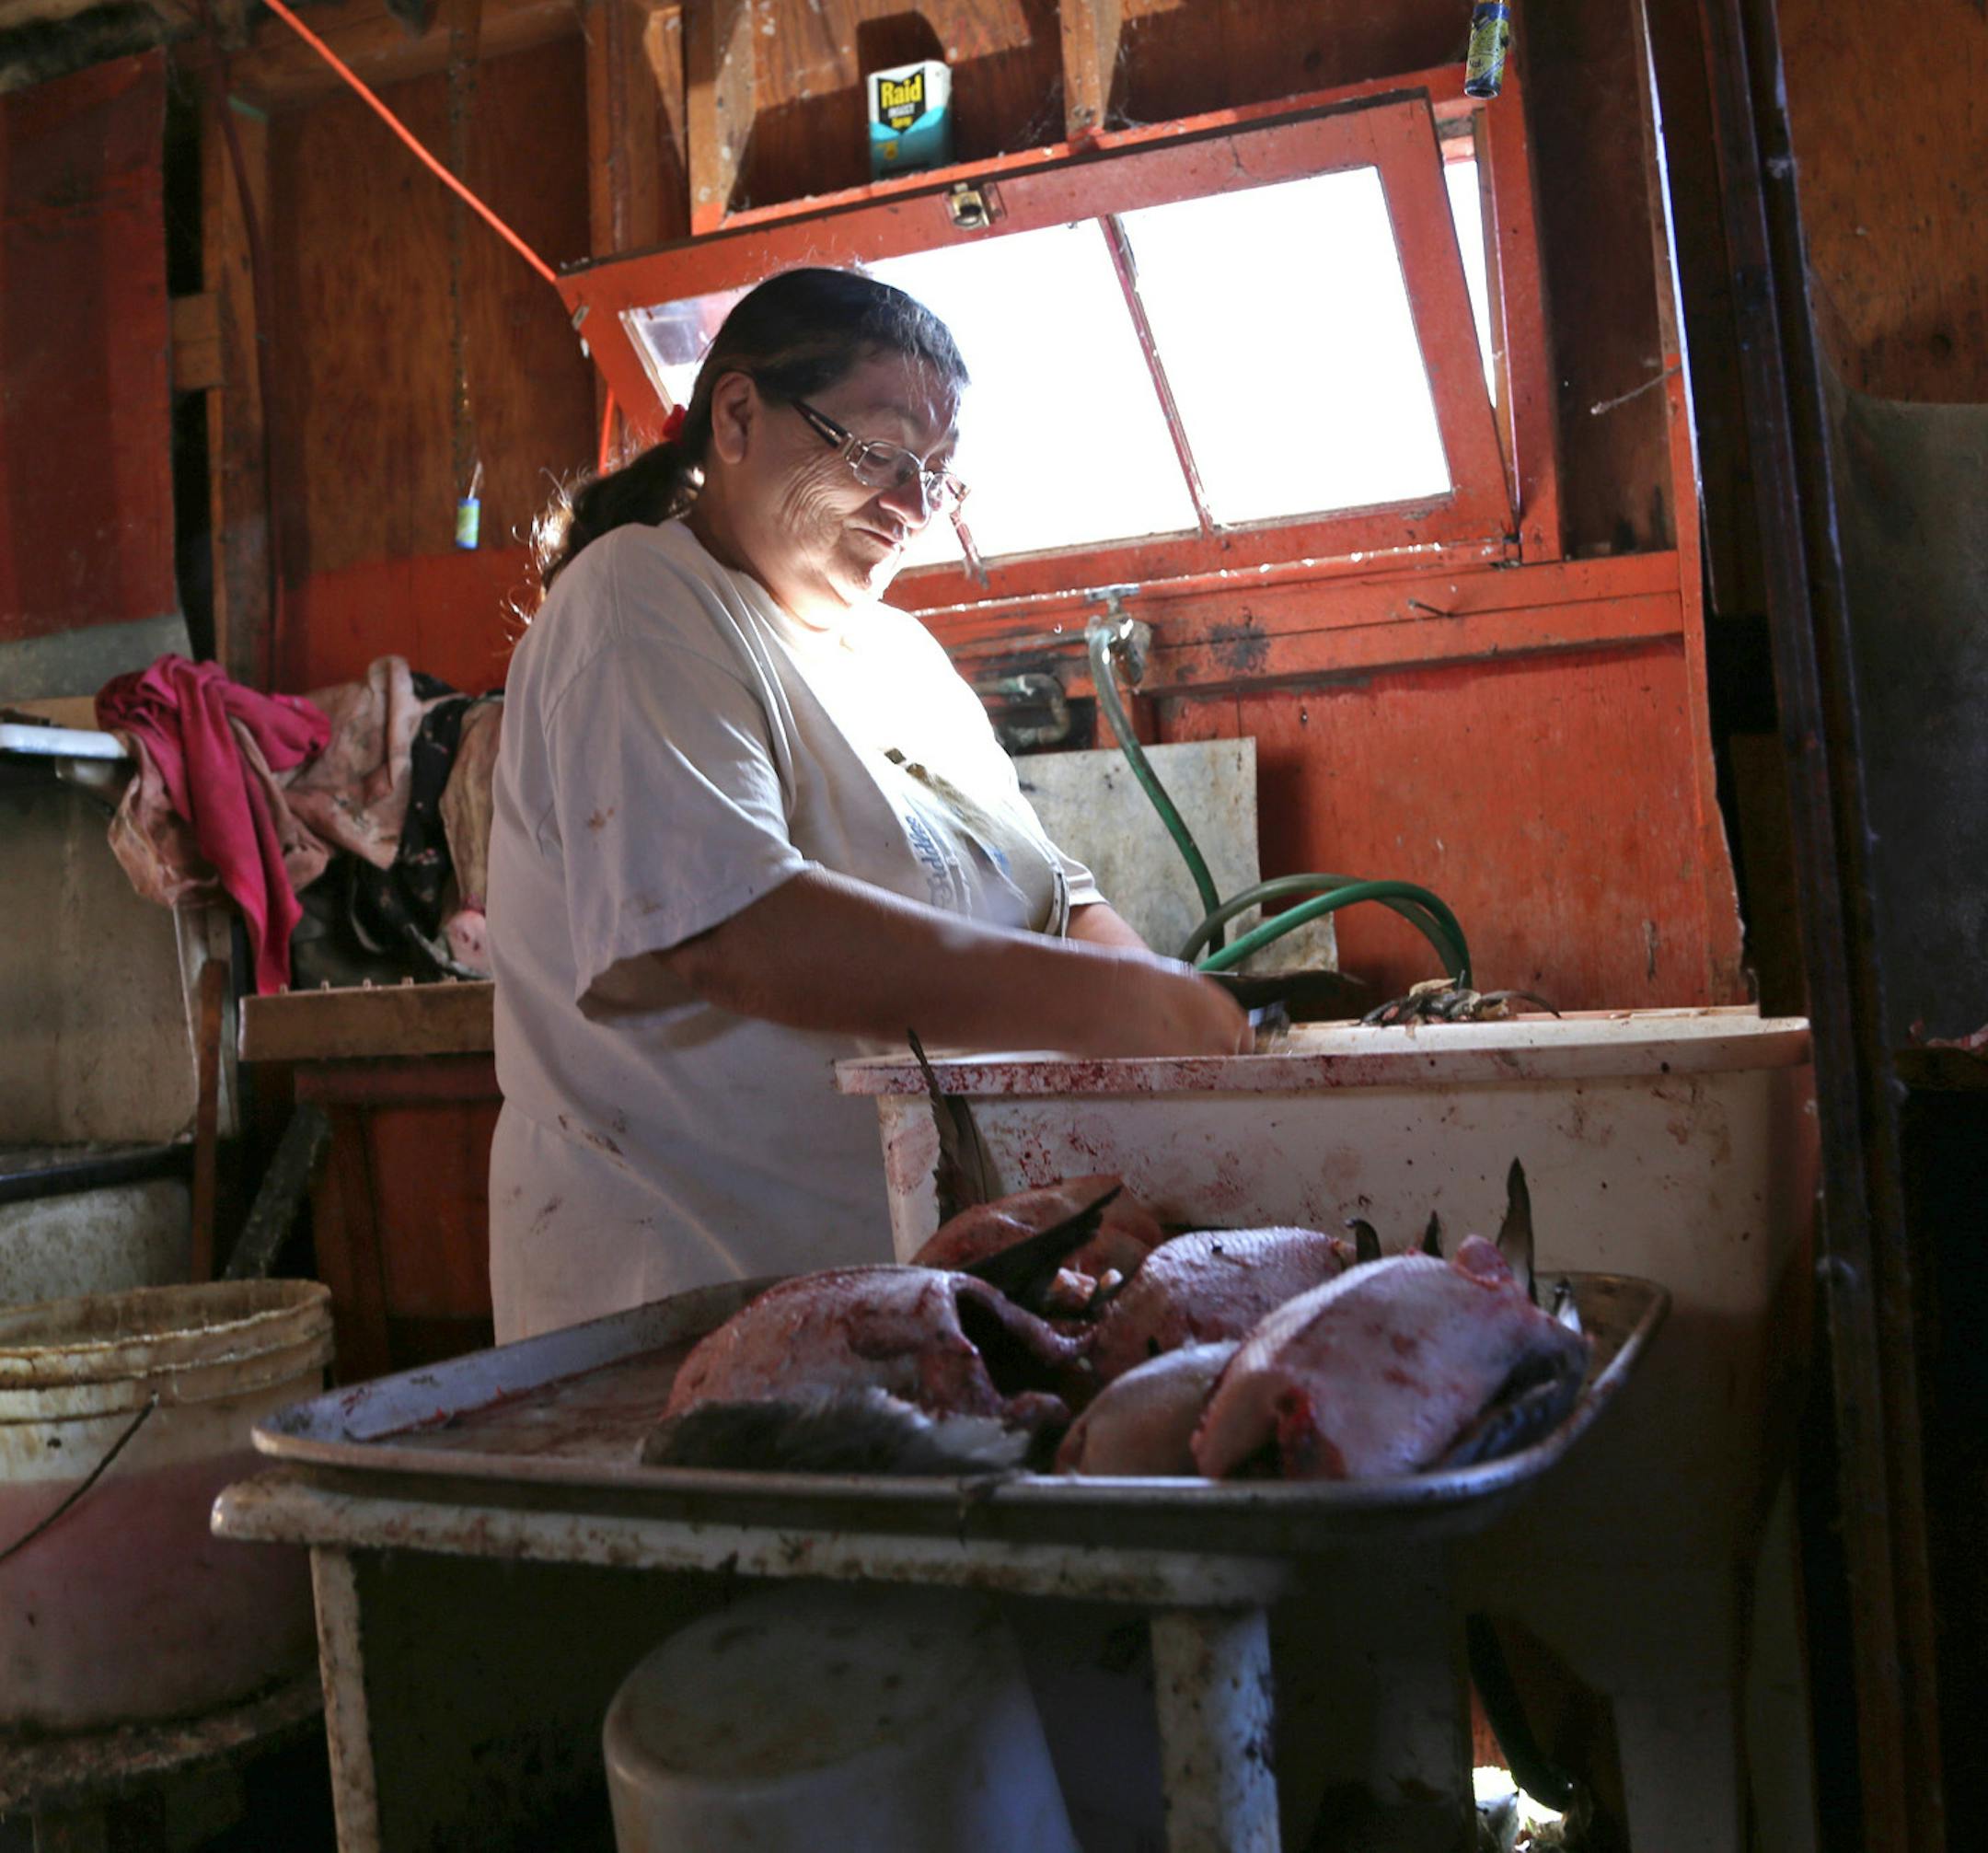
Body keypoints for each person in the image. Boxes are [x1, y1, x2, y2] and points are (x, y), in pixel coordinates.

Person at [486, 267, 1250, 1342]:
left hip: (915, 1277)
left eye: (938, 476)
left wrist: (1176, 1033)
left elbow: (1055, 900)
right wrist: (1117, 1008)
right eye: (880, 456)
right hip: (693, 1290)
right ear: (738, 416)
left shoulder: (901, 655)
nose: (912, 508)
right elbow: (735, 928)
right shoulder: (637, 600)